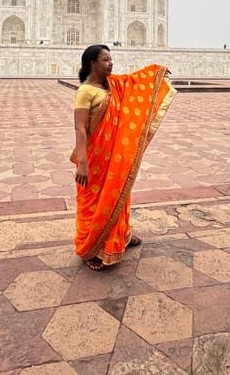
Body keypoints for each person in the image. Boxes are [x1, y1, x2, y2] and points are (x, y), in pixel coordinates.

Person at [72, 44, 175, 271]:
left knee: (119, 196)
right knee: (94, 204)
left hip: (115, 158)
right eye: (106, 60)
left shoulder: (113, 84)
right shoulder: (85, 92)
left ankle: (121, 237)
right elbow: (80, 130)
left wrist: (156, 72)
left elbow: (134, 82)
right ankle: (91, 248)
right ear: (92, 63)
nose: (111, 63)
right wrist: (82, 163)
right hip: (95, 161)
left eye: (111, 59)